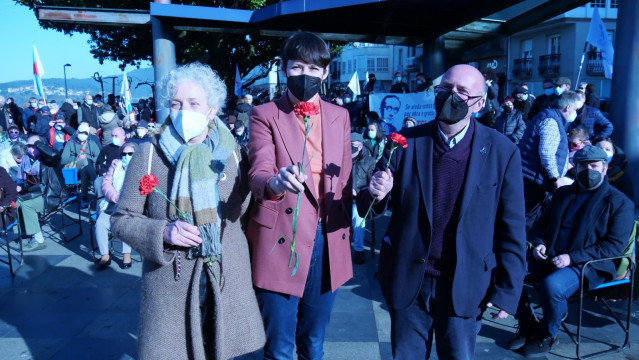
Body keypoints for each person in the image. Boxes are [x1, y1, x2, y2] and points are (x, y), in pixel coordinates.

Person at [357, 64, 526, 359]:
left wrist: (509, 291)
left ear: (481, 103)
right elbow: (369, 206)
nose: (452, 96)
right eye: (446, 88)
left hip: (466, 283)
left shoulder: (502, 151)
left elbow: (512, 226)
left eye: (462, 91)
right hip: (410, 277)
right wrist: (376, 194)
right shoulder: (405, 142)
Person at [111, 62, 264, 359]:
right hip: (172, 282)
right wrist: (162, 231)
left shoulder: (233, 153)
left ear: (212, 109)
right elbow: (121, 219)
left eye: (194, 103)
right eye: (176, 103)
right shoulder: (149, 153)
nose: (183, 111)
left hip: (228, 278)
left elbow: (245, 211)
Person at [246, 31, 352, 360]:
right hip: (282, 236)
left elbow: (344, 179)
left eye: (312, 68)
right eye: (296, 67)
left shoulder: (340, 116)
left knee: (314, 341)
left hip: (326, 237)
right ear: (283, 68)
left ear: (325, 72)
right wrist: (276, 183)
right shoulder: (265, 114)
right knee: (278, 345)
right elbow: (258, 171)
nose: (304, 75)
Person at [513, 146, 635, 357]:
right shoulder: (563, 193)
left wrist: (572, 258)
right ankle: (527, 324)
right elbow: (540, 225)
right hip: (551, 255)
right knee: (506, 268)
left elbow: (612, 247)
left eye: (594, 166)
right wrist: (540, 243)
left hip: (590, 264)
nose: (588, 170)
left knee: (552, 286)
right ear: (575, 168)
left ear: (605, 168)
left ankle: (547, 333)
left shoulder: (619, 203)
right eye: (582, 166)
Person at [519, 91, 580, 227]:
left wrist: (569, 168)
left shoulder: (550, 117)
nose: (575, 113)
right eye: (575, 109)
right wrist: (556, 179)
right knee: (526, 219)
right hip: (534, 180)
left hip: (532, 177)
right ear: (568, 108)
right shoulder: (551, 121)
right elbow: (546, 154)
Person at [94, 142, 137, 270]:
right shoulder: (115, 165)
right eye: (124, 153)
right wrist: (115, 196)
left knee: (124, 223)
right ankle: (105, 255)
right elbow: (106, 184)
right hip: (112, 203)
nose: (126, 156)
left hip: (132, 204)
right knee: (100, 224)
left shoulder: (141, 167)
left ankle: (126, 254)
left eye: (130, 153)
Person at [350, 132, 376, 265]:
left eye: (353, 145)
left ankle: (358, 250)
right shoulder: (343, 159)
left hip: (359, 201)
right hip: (342, 199)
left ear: (360, 147)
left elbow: (372, 184)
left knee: (358, 219)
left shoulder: (369, 162)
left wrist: (358, 192)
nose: (350, 148)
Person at [60, 122, 100, 204]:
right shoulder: (70, 143)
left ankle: (83, 197)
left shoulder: (91, 143)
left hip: (87, 166)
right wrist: (76, 158)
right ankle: (96, 181)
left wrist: (89, 158)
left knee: (85, 164)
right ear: (77, 132)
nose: (83, 134)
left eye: (85, 133)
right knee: (84, 163)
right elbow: (63, 159)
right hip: (74, 167)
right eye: (81, 132)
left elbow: (99, 157)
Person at [594, 137, 635, 202]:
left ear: (613, 152)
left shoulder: (622, 176)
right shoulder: (584, 170)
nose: (604, 152)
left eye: (607, 149)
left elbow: (627, 202)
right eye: (599, 149)